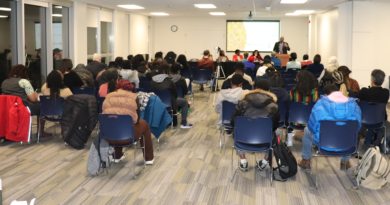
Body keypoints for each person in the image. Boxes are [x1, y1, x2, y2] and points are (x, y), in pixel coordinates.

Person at [297, 84, 361, 170]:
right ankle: (345, 161)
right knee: (351, 133)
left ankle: (306, 160)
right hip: (347, 145)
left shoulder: (320, 104)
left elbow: (312, 127)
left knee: (306, 130)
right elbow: (357, 128)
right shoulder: (353, 105)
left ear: (326, 95)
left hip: (324, 143)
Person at [231, 79, 280, 171]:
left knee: (237, 129)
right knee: (278, 133)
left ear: (256, 88)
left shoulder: (242, 102)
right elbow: (275, 126)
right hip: (264, 139)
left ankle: (243, 161)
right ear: (269, 90)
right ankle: (264, 162)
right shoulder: (274, 106)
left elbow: (233, 122)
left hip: (243, 138)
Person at [103, 79, 154, 164]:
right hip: (127, 136)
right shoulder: (134, 97)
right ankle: (148, 159)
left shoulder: (108, 96)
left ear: (117, 87)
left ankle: (117, 156)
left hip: (108, 136)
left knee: (116, 124)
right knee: (144, 124)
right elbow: (137, 119)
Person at [1, 65, 52, 137]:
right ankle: (40, 132)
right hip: (22, 108)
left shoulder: (4, 82)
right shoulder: (24, 82)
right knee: (42, 106)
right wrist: (35, 94)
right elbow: (33, 99)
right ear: (25, 73)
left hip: (8, 109)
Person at [150, 64, 194, 129]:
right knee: (184, 102)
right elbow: (175, 94)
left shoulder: (152, 81)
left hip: (155, 103)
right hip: (169, 103)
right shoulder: (170, 81)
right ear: (167, 71)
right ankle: (184, 123)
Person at [358, 69, 389, 146]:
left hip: (364, 120)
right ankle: (372, 139)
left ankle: (368, 139)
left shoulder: (364, 91)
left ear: (372, 80)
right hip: (380, 120)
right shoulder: (386, 92)